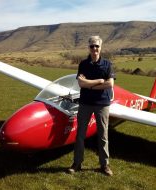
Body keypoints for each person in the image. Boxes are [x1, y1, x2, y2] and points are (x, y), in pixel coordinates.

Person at [68, 35, 115, 176]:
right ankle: (77, 163)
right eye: (92, 46)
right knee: (80, 134)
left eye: (97, 46)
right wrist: (98, 81)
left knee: (103, 135)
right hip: (85, 103)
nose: (94, 48)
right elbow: (81, 83)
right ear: (88, 47)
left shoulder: (107, 64)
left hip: (102, 104)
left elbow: (110, 84)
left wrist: (90, 84)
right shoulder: (83, 64)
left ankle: (104, 165)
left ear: (101, 48)